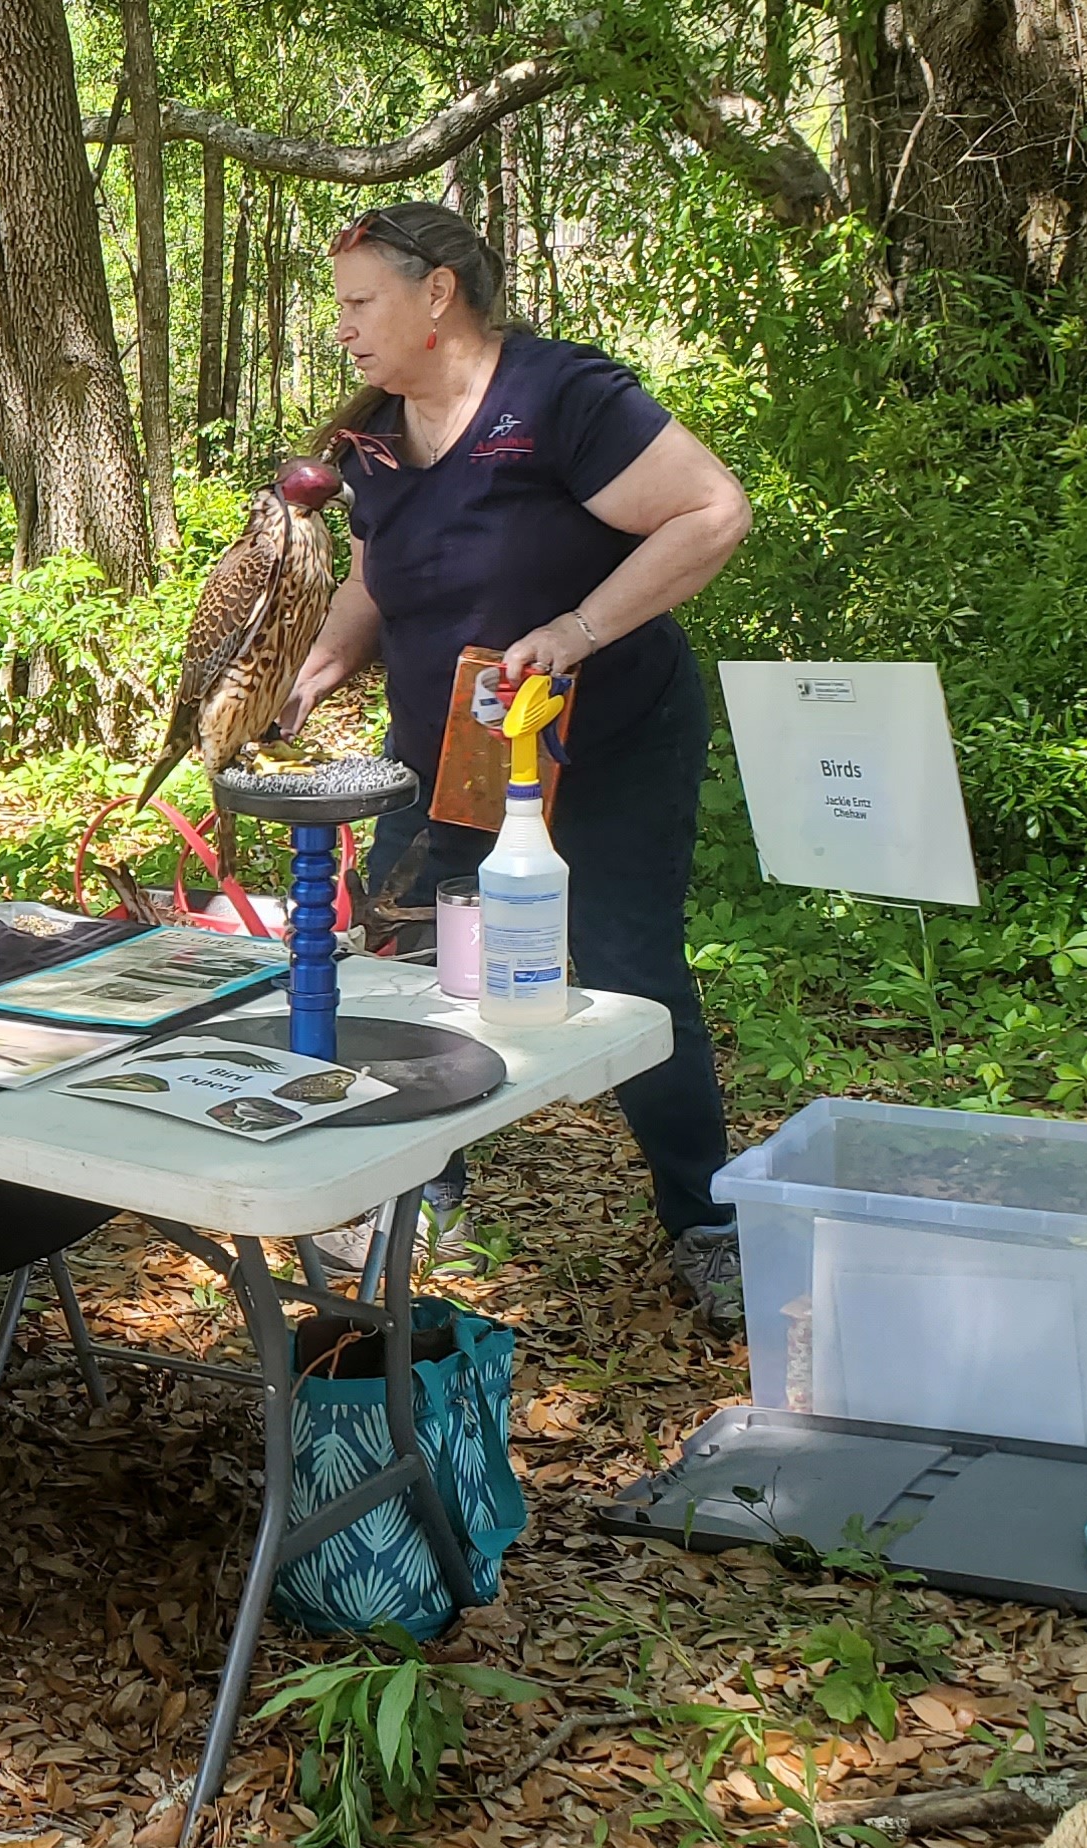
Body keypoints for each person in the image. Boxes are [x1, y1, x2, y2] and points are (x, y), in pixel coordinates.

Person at [279, 202, 759, 1327]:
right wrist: (321, 663)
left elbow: (712, 511)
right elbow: (375, 577)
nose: (343, 330)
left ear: (436, 293)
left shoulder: (560, 400)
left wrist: (580, 630)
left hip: (610, 739)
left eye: (360, 304)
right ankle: (423, 1189)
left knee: (631, 968)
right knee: (401, 952)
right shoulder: (377, 439)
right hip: (451, 750)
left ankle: (706, 1221)